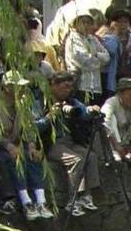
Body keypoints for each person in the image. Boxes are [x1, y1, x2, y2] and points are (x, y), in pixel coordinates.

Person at [0, 71, 53, 220]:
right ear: (7, 87)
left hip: (20, 142)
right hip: (2, 146)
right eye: (17, 86)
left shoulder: (23, 102)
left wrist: (31, 145)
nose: (22, 89)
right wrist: (9, 146)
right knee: (15, 160)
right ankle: (26, 202)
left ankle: (41, 201)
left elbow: (28, 127)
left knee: (33, 156)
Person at [37, 71, 101, 216]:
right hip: (51, 143)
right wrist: (49, 117)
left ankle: (86, 196)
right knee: (76, 160)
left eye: (70, 87)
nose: (68, 90)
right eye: (65, 87)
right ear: (53, 85)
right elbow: (35, 126)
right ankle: (73, 200)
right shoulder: (41, 101)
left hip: (71, 141)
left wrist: (91, 110)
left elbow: (82, 112)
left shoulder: (72, 101)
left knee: (90, 156)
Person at [64, 10, 110, 104]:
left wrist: (96, 55)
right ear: (76, 24)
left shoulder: (93, 39)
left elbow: (107, 57)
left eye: (88, 23)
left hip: (96, 86)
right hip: (80, 84)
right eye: (83, 22)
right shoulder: (73, 38)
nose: (86, 26)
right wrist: (98, 63)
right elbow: (83, 60)